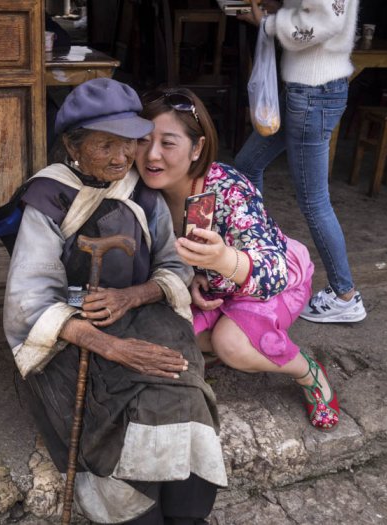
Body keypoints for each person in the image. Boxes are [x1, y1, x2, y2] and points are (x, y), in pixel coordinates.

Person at [3, 78, 227, 524]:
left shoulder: (143, 191)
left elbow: (174, 264)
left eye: (130, 143)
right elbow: (29, 301)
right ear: (73, 144)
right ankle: (133, 511)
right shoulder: (48, 197)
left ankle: (187, 512)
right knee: (117, 409)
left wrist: (134, 294)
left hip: (144, 314)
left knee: (181, 388)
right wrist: (112, 347)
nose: (124, 158)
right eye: (107, 145)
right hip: (75, 331)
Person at [135, 87, 339, 432]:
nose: (152, 155)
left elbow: (272, 269)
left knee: (232, 345)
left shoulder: (228, 187)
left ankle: (308, 372)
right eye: (142, 140)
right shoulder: (142, 193)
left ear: (196, 147)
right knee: (169, 334)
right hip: (216, 288)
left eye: (168, 143)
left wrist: (224, 260)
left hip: (271, 284)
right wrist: (193, 275)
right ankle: (221, 344)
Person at [234, 0, 367, 324]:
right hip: (308, 92)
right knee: (246, 165)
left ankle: (345, 295)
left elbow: (323, 23)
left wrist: (267, 23)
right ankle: (260, 253)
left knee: (314, 201)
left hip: (312, 95)